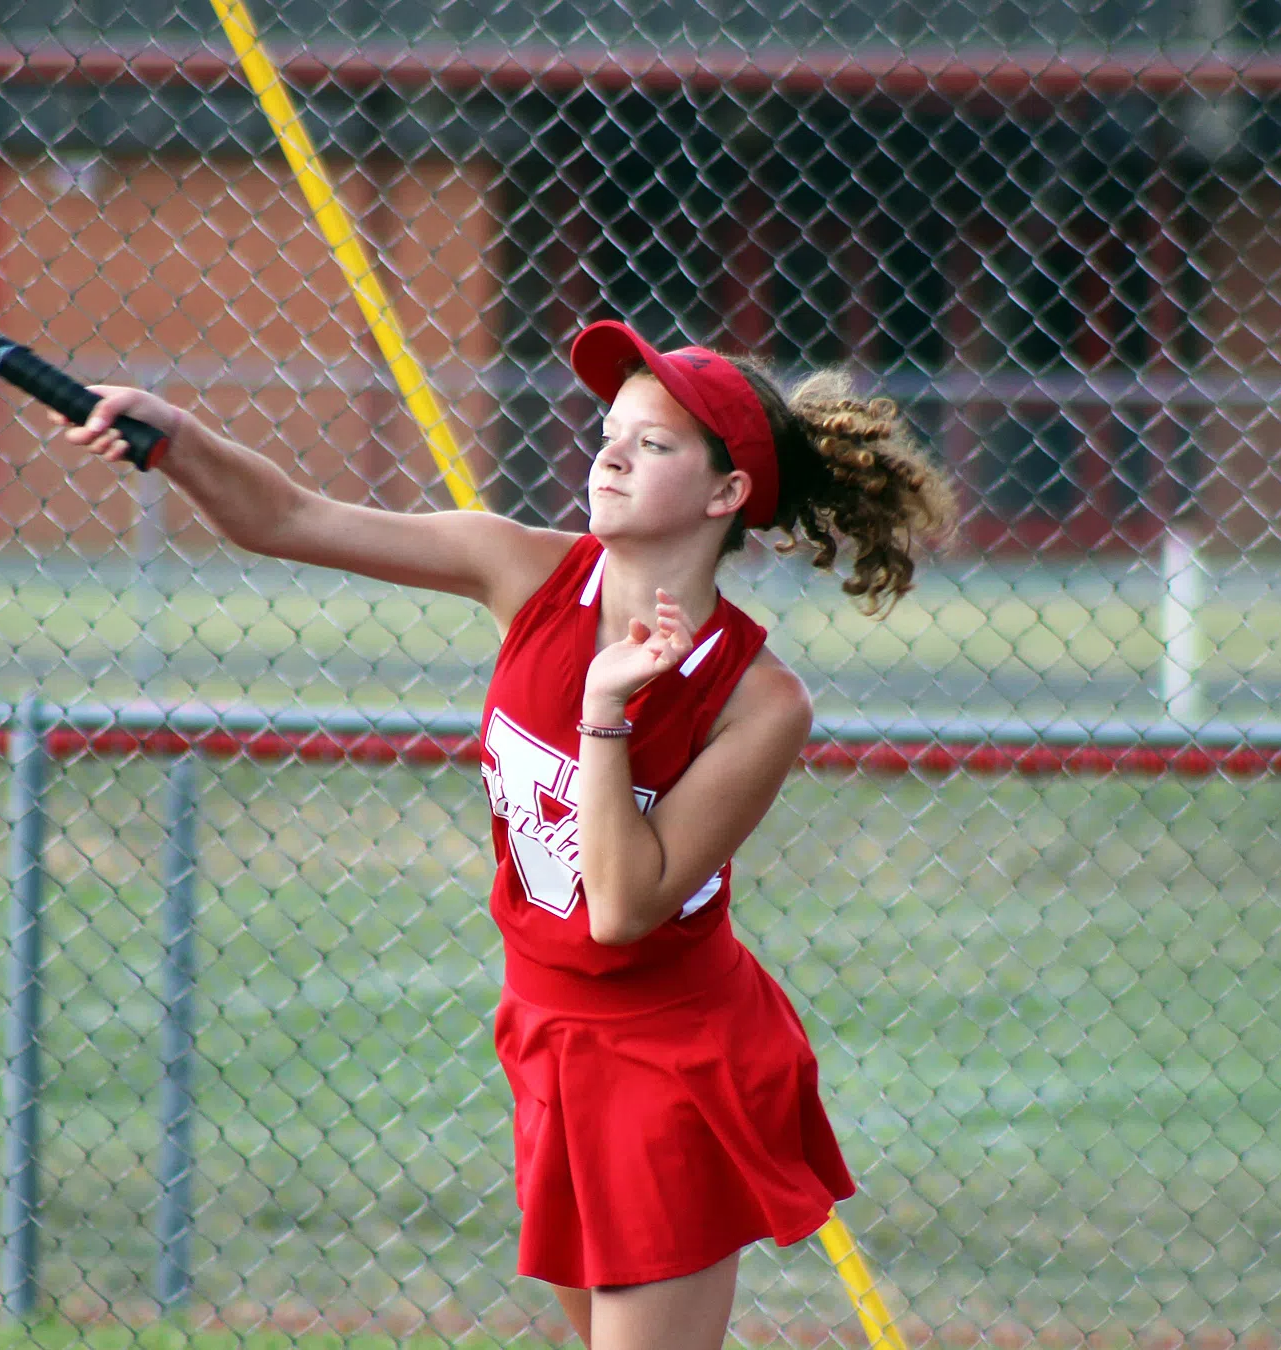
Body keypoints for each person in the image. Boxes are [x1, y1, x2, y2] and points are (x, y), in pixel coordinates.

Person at [55, 319, 957, 1349]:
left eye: (654, 445)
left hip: (671, 1054)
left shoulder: (757, 699)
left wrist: (606, 712)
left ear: (726, 494)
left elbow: (622, 911)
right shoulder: (523, 572)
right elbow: (291, 518)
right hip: (546, 1031)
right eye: (611, 431)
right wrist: (175, 436)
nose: (610, 454)